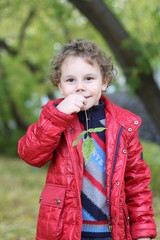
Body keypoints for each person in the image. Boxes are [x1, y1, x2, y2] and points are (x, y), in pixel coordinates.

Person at [18, 39, 157, 240]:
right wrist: (59, 116)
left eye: (89, 78)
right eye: (70, 80)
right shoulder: (54, 117)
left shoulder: (123, 125)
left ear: (105, 81)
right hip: (66, 228)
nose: (80, 87)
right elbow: (30, 155)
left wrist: (143, 231)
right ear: (60, 86)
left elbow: (137, 182)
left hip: (111, 231)